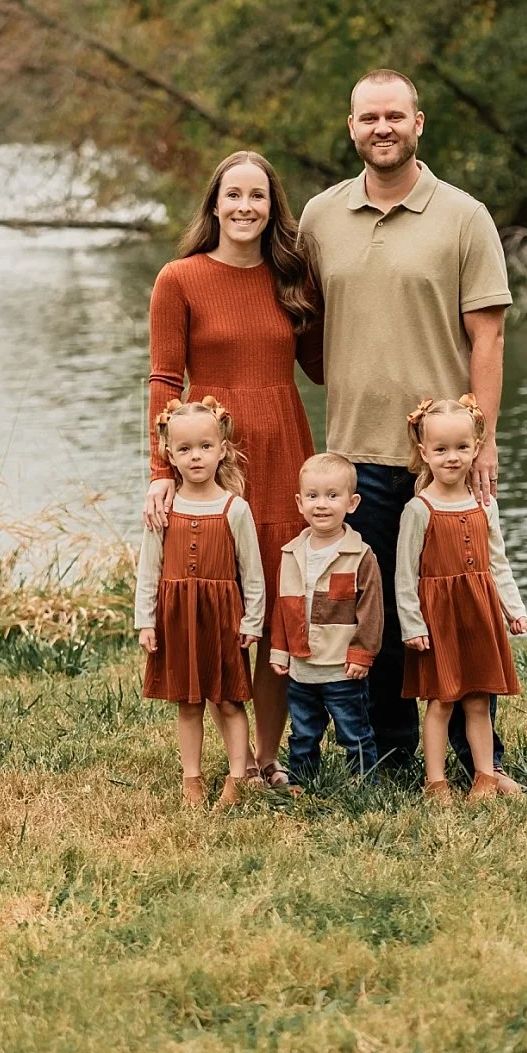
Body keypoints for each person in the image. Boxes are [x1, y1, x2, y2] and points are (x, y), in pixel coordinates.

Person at [298, 69, 519, 788]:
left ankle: (477, 756)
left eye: (395, 115)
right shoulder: (319, 217)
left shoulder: (463, 215)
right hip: (351, 455)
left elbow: (487, 338)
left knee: (456, 608)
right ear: (351, 126)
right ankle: (386, 752)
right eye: (369, 117)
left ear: (418, 123)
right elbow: (300, 325)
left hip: (441, 462)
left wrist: (480, 443)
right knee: (372, 614)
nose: (381, 128)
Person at [145, 150, 322, 790]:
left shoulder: (289, 279)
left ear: (273, 208)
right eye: (233, 195)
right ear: (214, 204)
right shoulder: (180, 278)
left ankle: (267, 761)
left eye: (258, 196)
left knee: (278, 600)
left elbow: (323, 367)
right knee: (221, 606)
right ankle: (222, 759)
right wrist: (161, 471)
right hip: (208, 461)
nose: (245, 206)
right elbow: (165, 379)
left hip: (284, 451)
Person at [135, 398, 266, 808]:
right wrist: (146, 621)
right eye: (186, 449)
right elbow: (149, 568)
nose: (196, 457)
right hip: (178, 616)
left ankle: (237, 774)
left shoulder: (235, 508)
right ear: (169, 454)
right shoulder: (165, 510)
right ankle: (191, 777)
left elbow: (253, 572)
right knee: (188, 702)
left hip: (223, 616)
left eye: (205, 447)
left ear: (222, 449)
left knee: (228, 698)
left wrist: (252, 620)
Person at [396, 398, 527, 804]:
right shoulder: (419, 509)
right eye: (440, 450)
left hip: (479, 611)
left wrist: (514, 610)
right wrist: (413, 625)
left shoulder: (485, 505)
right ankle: (435, 782)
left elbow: (498, 563)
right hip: (439, 616)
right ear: (424, 454)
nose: (451, 458)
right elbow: (405, 575)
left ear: (476, 447)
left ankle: (485, 776)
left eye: (461, 448)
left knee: (478, 697)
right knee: (441, 700)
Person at [267, 452, 383, 785]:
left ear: (352, 502)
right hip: (302, 670)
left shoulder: (359, 555)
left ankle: (365, 782)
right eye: (313, 496)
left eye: (333, 496)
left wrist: (362, 653)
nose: (322, 505)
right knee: (303, 732)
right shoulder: (291, 553)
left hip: (342, 667)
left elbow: (371, 611)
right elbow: (283, 606)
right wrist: (279, 650)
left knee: (354, 731)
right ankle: (302, 782)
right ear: (299, 502)